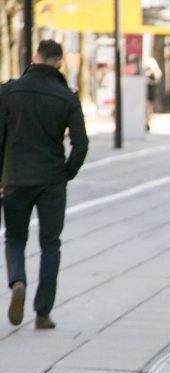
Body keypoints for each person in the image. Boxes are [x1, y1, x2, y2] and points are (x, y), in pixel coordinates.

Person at [0, 40, 88, 329]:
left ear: (35, 56)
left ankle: (17, 282)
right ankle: (42, 313)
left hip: (15, 177)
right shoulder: (66, 97)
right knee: (51, 244)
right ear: (59, 63)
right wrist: (66, 173)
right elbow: (80, 144)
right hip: (52, 179)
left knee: (15, 237)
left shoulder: (9, 91)